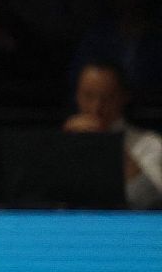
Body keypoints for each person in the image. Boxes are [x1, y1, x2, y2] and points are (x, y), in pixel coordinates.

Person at [62, 61, 162, 210]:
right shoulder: (61, 143)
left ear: (124, 97)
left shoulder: (151, 145)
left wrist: (105, 141)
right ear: (77, 95)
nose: (97, 107)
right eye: (89, 96)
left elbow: (149, 201)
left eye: (107, 97)